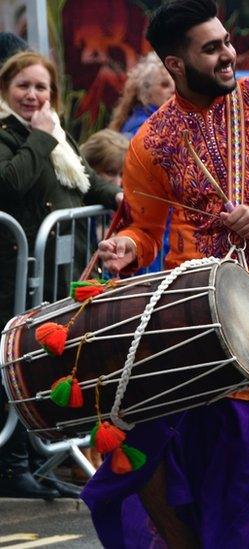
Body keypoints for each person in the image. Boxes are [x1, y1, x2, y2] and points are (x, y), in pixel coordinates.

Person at [84, 0, 249, 546]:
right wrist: (124, 248)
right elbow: (142, 229)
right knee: (175, 483)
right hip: (191, 332)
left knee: (248, 501)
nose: (229, 54)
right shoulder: (152, 141)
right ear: (175, 65)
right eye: (212, 48)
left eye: (226, 42)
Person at [0, 49, 122, 501]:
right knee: (15, 367)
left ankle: (36, 461)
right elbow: (11, 182)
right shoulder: (15, 133)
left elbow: (86, 178)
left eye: (41, 87)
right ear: (5, 89)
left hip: (56, 271)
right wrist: (39, 138)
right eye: (23, 86)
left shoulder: (51, 130)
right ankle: (12, 467)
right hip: (15, 275)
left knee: (42, 367)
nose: (32, 95)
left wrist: (119, 196)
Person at [108, 52, 175, 137]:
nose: (173, 90)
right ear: (145, 92)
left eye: (176, 83)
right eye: (165, 85)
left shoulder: (165, 120)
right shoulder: (141, 128)